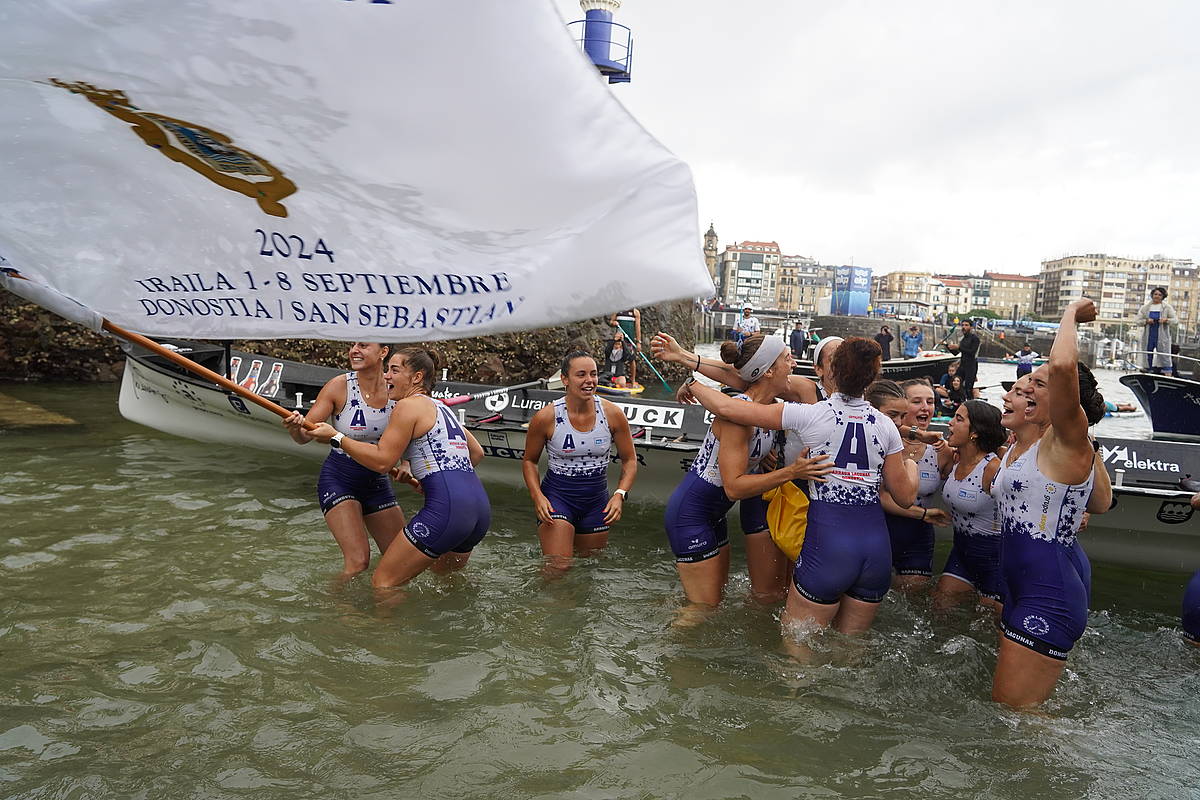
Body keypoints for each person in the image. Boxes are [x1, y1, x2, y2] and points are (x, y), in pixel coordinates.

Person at [682, 338, 918, 636]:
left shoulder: (812, 414)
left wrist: (693, 384)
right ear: (875, 375)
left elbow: (729, 407)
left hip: (830, 547)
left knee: (797, 652)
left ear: (832, 370)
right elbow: (906, 497)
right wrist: (911, 462)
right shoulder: (886, 426)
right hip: (876, 549)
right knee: (851, 651)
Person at [991, 298, 1110, 707]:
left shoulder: (1068, 438)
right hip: (1025, 585)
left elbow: (1062, 368)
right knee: (1015, 717)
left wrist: (1071, 313)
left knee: (1018, 719)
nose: (1026, 389)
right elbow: (1101, 501)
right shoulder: (1038, 445)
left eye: (1038, 384)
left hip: (1049, 592)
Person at [662, 334, 831, 616]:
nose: (794, 363)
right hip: (690, 515)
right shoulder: (738, 417)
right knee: (702, 610)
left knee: (714, 604)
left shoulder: (766, 408)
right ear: (768, 371)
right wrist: (792, 472)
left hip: (713, 516)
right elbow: (734, 489)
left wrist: (763, 456)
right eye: (787, 358)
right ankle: (667, 653)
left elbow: (737, 378)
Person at [304, 347, 491, 590]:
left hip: (449, 510)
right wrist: (431, 474)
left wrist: (337, 436)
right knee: (440, 581)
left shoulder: (406, 406)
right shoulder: (442, 408)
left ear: (417, 378)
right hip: (479, 510)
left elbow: (383, 461)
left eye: (394, 370)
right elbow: (477, 453)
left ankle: (377, 629)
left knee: (383, 584)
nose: (387, 376)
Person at [282, 342, 406, 580]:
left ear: (383, 352)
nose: (354, 350)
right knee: (358, 562)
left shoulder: (397, 390)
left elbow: (413, 434)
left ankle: (386, 611)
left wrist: (407, 464)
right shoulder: (339, 386)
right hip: (340, 479)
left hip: (378, 482)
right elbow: (304, 437)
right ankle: (339, 612)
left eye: (363, 345)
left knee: (400, 560)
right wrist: (295, 428)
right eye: (352, 345)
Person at [522, 351, 637, 573]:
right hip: (558, 499)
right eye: (581, 375)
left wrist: (619, 495)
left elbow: (630, 460)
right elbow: (529, 461)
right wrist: (537, 497)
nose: (589, 381)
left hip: (596, 503)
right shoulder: (546, 417)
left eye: (593, 374)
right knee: (558, 569)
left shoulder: (612, 414)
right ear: (565, 379)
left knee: (588, 571)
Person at [931, 400, 1006, 611]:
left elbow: (1023, 503)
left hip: (994, 560)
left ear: (974, 432)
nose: (950, 423)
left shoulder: (992, 468)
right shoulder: (955, 459)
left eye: (959, 419)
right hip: (962, 553)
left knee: (991, 628)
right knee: (939, 611)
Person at [882, 379, 948, 589]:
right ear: (901, 406)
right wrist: (923, 514)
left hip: (918, 538)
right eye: (917, 401)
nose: (925, 407)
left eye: (930, 401)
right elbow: (881, 496)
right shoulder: (882, 440)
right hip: (880, 530)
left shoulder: (941, 449)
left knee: (914, 605)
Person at [1135, 287, 1177, 374]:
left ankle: (1167, 372)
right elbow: (1137, 321)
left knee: (1164, 353)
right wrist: (1146, 321)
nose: (1157, 296)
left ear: (1163, 296)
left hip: (1162, 335)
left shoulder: (1167, 307)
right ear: (1152, 295)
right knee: (1147, 352)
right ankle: (1147, 370)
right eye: (1155, 294)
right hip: (1148, 334)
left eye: (1159, 295)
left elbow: (1175, 320)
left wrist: (1166, 320)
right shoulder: (1145, 308)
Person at [948, 320, 980, 394]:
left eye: (966, 325)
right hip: (963, 364)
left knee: (968, 387)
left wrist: (958, 347)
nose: (963, 327)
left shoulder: (975, 339)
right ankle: (955, 400)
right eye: (962, 325)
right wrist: (948, 346)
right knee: (954, 381)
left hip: (971, 365)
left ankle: (969, 401)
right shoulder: (963, 339)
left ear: (971, 327)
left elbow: (972, 352)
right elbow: (956, 353)